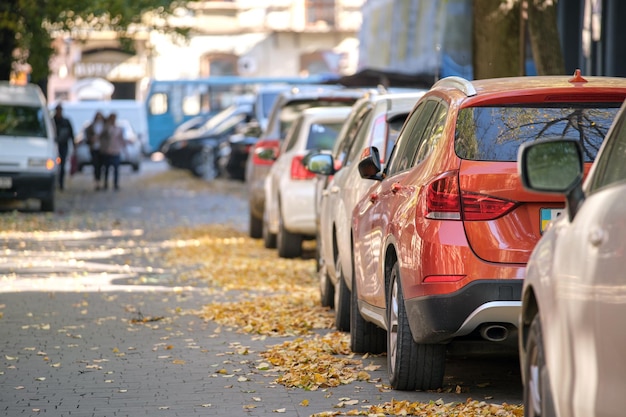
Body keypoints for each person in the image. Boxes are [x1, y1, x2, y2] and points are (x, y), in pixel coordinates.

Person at [100, 112, 126, 191]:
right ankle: (106, 183)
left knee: (116, 168)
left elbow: (121, 139)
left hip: (116, 150)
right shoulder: (107, 128)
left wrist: (124, 147)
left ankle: (115, 183)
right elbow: (102, 137)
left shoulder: (118, 128)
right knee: (107, 169)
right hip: (108, 150)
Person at [53, 104, 75, 190]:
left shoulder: (66, 121)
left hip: (63, 145)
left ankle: (61, 183)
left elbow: (71, 133)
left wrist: (73, 144)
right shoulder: (53, 121)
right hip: (55, 145)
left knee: (62, 165)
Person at [84, 111, 106, 190]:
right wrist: (91, 139)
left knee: (101, 165)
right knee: (96, 165)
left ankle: (101, 180)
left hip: (102, 148)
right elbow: (87, 136)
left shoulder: (104, 126)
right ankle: (97, 181)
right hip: (94, 148)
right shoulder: (91, 126)